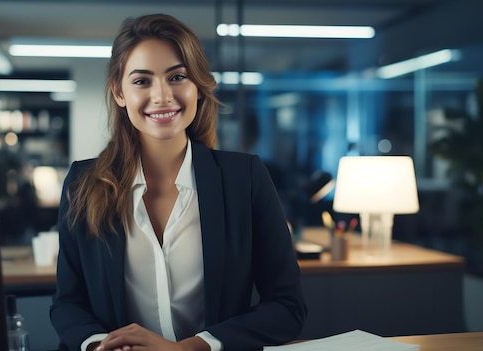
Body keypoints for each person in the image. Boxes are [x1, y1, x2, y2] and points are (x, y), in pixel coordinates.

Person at [50, 13, 307, 351]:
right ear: (119, 92)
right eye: (142, 81)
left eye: (177, 77)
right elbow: (68, 303)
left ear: (198, 86)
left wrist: (190, 347)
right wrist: (102, 345)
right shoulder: (83, 184)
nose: (162, 96)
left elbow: (287, 307)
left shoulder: (244, 178)